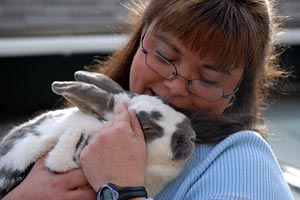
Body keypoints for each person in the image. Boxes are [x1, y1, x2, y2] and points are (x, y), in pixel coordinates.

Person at [3, 0, 294, 199]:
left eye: (209, 79)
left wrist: (121, 188)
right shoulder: (86, 118)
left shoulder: (242, 164)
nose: (177, 86)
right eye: (164, 55)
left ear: (237, 90)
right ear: (141, 39)